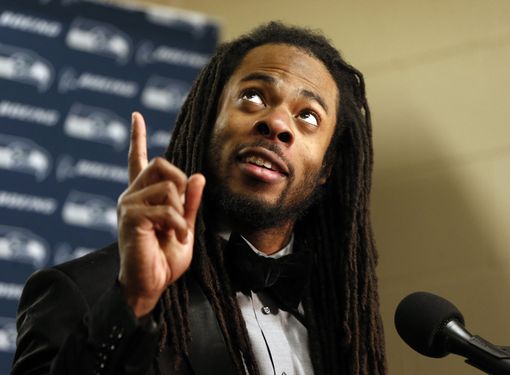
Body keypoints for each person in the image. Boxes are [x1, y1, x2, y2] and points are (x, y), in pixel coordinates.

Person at [11, 22, 386, 375]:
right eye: (253, 96)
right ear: (208, 120)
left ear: (326, 168)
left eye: (308, 116)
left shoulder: (344, 323)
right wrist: (134, 301)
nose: (277, 124)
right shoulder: (82, 293)